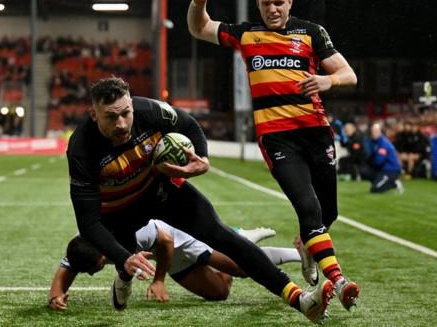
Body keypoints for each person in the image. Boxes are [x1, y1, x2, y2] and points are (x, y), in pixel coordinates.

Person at [67, 76, 333, 324]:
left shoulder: (149, 110)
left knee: (225, 237)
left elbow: (189, 124)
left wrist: (203, 159)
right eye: (111, 117)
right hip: (120, 213)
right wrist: (123, 259)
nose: (122, 124)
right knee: (128, 258)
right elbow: (89, 222)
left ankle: (301, 301)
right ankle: (124, 277)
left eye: (125, 113)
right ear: (94, 114)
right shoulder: (81, 149)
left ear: (132, 105)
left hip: (162, 191)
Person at [187, 0, 360, 313]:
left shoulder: (310, 32)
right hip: (277, 139)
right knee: (308, 209)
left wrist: (328, 79)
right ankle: (339, 282)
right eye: (266, 4)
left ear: (290, 2)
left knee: (328, 213)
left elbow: (349, 75)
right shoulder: (246, 34)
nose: (273, 9)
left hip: (316, 134)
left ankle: (308, 246)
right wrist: (198, 2)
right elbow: (199, 28)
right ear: (259, 5)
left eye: (279, 3)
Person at [48, 221, 302, 310]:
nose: (91, 274)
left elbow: (166, 240)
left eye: (93, 269)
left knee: (242, 269)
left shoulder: (135, 234)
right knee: (220, 293)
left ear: (102, 257)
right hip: (161, 253)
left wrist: (159, 280)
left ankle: (294, 252)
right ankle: (237, 243)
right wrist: (55, 297)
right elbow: (66, 268)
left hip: (175, 236)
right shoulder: (86, 244)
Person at [360, 123, 404, 193]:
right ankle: (378, 181)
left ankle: (394, 183)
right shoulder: (373, 142)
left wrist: (371, 162)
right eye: (373, 131)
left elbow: (379, 161)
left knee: (375, 189)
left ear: (380, 132)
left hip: (390, 170)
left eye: (376, 131)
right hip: (382, 169)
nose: (373, 133)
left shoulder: (383, 143)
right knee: (364, 171)